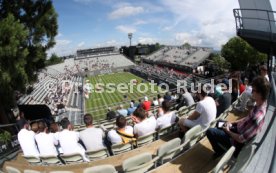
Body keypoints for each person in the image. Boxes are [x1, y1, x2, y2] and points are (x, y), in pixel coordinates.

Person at [207, 76, 270, 158]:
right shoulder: (259, 104)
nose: (251, 92)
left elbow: (241, 139)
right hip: (236, 129)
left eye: (253, 90)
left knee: (210, 131)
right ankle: (221, 142)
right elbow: (246, 118)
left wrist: (228, 130)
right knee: (219, 123)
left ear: (260, 94)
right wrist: (232, 123)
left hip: (235, 141)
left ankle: (220, 151)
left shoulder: (257, 117)